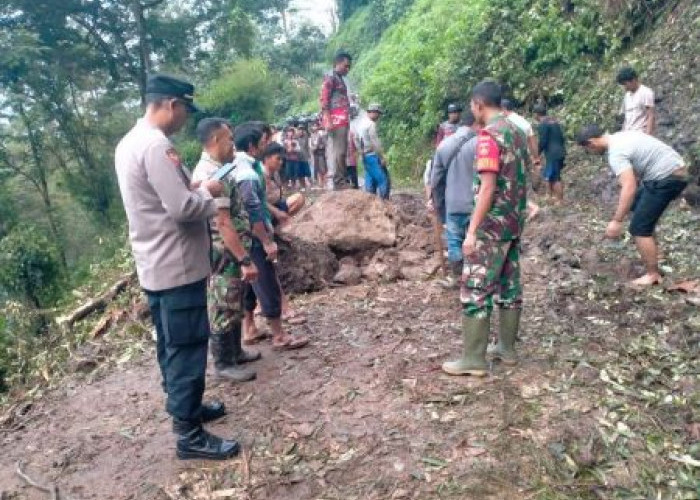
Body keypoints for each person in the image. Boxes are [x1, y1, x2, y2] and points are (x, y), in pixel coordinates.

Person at [114, 74, 239, 460]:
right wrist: (209, 194)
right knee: (186, 347)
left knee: (171, 345)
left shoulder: (128, 142)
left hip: (154, 263)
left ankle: (185, 407)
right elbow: (183, 208)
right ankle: (189, 435)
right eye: (184, 109)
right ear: (171, 104)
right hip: (177, 265)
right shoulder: (155, 146)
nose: (185, 118)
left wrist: (194, 193)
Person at [442, 80, 527, 376]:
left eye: (472, 107)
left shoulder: (489, 137)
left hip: (492, 227)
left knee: (475, 289)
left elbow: (488, 187)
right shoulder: (517, 131)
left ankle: (473, 359)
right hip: (513, 224)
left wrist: (471, 232)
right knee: (509, 288)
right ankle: (507, 349)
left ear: (479, 104)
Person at [191, 118, 260, 384]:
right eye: (229, 139)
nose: (234, 144)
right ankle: (223, 363)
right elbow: (222, 221)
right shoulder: (209, 175)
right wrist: (243, 258)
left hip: (233, 249)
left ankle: (236, 352)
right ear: (216, 140)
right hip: (223, 253)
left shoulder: (220, 168)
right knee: (223, 303)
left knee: (235, 301)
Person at [575, 124, 688, 286]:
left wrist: (617, 221)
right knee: (636, 205)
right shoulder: (621, 136)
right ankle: (656, 253)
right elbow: (634, 177)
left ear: (591, 143)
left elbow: (629, 186)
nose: (591, 153)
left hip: (667, 178)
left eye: (588, 150)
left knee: (639, 229)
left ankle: (653, 275)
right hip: (672, 170)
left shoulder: (615, 153)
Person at [232, 123, 310, 349]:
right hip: (253, 236)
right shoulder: (247, 172)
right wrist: (266, 240)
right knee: (266, 280)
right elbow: (253, 208)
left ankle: (250, 329)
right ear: (252, 145)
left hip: (242, 235)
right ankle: (279, 335)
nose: (266, 146)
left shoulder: (235, 167)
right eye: (264, 142)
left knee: (248, 284)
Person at [430, 111, 480, 288]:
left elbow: (435, 180)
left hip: (453, 203)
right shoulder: (482, 144)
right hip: (477, 204)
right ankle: (476, 278)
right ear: (475, 124)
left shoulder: (444, 145)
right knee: (475, 241)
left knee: (454, 242)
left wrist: (437, 203)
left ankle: (458, 278)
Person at [501, 99, 540, 219]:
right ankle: (528, 206)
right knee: (524, 182)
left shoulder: (505, 122)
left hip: (511, 158)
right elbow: (532, 141)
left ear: (503, 109)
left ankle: (527, 208)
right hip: (525, 156)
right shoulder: (523, 121)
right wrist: (536, 157)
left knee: (510, 184)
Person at [320, 50, 352, 190]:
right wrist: (328, 120)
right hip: (336, 120)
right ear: (338, 63)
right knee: (340, 151)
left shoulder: (339, 79)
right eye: (346, 66)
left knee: (342, 150)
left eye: (349, 66)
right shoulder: (330, 77)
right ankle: (339, 181)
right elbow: (324, 100)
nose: (347, 69)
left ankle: (341, 179)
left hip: (342, 119)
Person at [355, 103, 389, 199]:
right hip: (372, 155)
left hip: (364, 156)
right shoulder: (371, 124)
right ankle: (384, 203)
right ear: (373, 113)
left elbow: (355, 138)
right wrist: (382, 157)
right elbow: (375, 142)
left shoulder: (360, 124)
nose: (379, 116)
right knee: (383, 180)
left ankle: (370, 202)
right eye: (378, 113)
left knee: (370, 179)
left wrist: (360, 152)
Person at [533, 104, 566, 203]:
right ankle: (552, 197)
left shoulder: (543, 124)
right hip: (560, 151)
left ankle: (559, 200)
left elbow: (543, 141)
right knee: (550, 176)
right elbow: (561, 138)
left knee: (554, 177)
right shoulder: (554, 122)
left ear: (536, 114)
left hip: (553, 154)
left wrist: (536, 153)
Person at [617, 67, 655, 135]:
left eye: (625, 84)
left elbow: (650, 116)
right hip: (628, 133)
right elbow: (625, 118)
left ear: (633, 80)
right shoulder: (627, 96)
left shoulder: (646, 92)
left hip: (640, 133)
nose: (624, 87)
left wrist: (648, 136)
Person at [309, 121, 328, 188]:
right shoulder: (312, 135)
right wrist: (313, 148)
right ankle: (320, 183)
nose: (314, 127)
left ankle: (325, 183)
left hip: (321, 153)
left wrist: (320, 146)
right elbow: (311, 145)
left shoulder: (321, 134)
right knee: (317, 168)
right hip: (315, 153)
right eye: (313, 126)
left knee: (323, 168)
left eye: (316, 126)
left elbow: (325, 144)